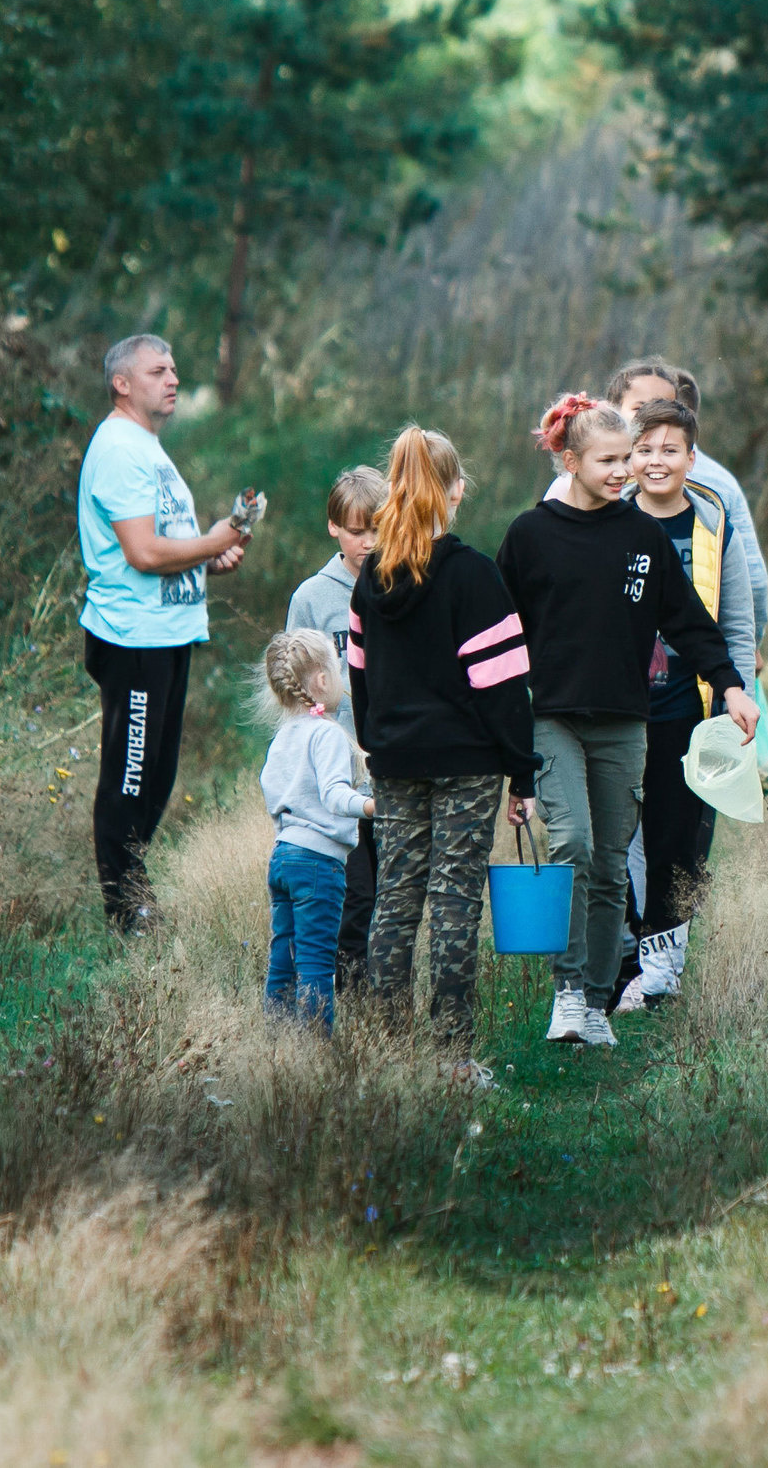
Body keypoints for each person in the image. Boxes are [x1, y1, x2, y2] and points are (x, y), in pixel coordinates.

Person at [497, 395, 758, 1048]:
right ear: (571, 460)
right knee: (574, 846)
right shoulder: (531, 536)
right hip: (554, 718)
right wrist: (503, 741)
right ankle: (565, 990)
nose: (624, 472)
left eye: (627, 458)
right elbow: (499, 640)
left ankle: (593, 1001)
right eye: (609, 461)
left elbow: (689, 622)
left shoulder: (640, 536)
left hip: (625, 721)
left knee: (612, 863)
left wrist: (730, 684)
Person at [348, 427, 537, 1087]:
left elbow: (360, 676)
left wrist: (379, 742)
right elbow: (505, 688)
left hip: (395, 761)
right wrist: (522, 769)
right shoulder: (473, 576)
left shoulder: (371, 578)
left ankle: (382, 1051)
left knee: (395, 898)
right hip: (466, 761)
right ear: (456, 492)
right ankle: (452, 1058)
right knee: (455, 899)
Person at [75, 333, 247, 933]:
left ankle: (134, 893)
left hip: (166, 634)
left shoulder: (146, 447)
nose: (172, 378)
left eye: (175, 368)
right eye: (157, 370)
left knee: (157, 776)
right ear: (123, 383)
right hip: (133, 639)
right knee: (130, 773)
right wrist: (216, 539)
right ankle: (126, 912)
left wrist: (205, 557)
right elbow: (144, 552)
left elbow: (165, 543)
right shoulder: (121, 448)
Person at [614, 396, 756, 1012]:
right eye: (643, 450)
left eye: (669, 449)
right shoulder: (609, 520)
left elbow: (736, 618)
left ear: (691, 459)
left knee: (678, 835)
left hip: (688, 704)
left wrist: (736, 690)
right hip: (620, 705)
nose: (655, 461)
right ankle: (621, 954)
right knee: (618, 836)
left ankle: (663, 965)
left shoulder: (711, 524)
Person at [287, 465, 389, 993]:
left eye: (378, 528)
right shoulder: (312, 598)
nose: (368, 542)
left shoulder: (404, 582)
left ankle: (388, 998)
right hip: (337, 778)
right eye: (357, 530)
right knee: (355, 894)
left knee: (394, 893)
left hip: (393, 770)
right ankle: (349, 997)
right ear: (334, 528)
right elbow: (295, 688)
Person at [254, 629, 374, 1034]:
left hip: (283, 856)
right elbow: (336, 796)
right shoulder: (327, 734)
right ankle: (317, 1050)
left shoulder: (283, 736)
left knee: (282, 957)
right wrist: (372, 805)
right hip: (319, 864)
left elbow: (272, 789)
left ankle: (276, 1040)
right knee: (318, 961)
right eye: (338, 668)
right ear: (322, 681)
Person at [604, 358, 768, 647]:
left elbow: (750, 577)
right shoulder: (723, 480)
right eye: (640, 408)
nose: (650, 418)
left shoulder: (587, 479)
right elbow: (754, 580)